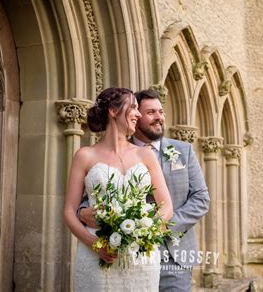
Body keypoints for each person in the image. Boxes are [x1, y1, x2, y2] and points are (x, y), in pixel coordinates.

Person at [79, 89, 210, 291]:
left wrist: (152, 230)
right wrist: (82, 211)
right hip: (122, 254)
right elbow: (97, 193)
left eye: (161, 111)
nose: (159, 117)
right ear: (135, 115)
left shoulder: (183, 151)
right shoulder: (110, 153)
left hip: (174, 255)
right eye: (151, 112)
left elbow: (200, 198)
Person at [63, 87, 174, 291]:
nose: (138, 114)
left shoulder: (146, 155)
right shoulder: (84, 156)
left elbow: (166, 207)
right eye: (132, 107)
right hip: (96, 254)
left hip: (141, 257)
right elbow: (69, 211)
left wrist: (144, 233)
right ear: (113, 112)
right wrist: (95, 245)